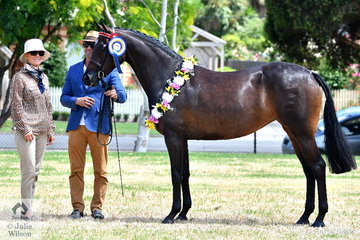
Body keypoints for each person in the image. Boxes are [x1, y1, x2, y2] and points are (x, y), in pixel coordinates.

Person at [60, 30, 127, 220]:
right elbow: (64, 98)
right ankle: (77, 208)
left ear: (99, 47)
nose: (89, 48)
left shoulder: (110, 70)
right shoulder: (73, 70)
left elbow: (123, 95)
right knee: (76, 170)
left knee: (101, 170)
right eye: (86, 45)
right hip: (76, 127)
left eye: (93, 45)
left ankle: (97, 207)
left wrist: (115, 94)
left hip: (99, 126)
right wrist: (77, 101)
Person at [11, 38, 55, 220]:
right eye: (33, 53)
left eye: (40, 53)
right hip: (26, 131)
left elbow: (48, 104)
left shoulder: (43, 77)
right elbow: (16, 106)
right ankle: (25, 209)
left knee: (36, 170)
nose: (37, 56)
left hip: (43, 130)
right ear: (26, 56)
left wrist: (50, 129)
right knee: (28, 170)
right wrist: (25, 129)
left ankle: (29, 207)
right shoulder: (19, 78)